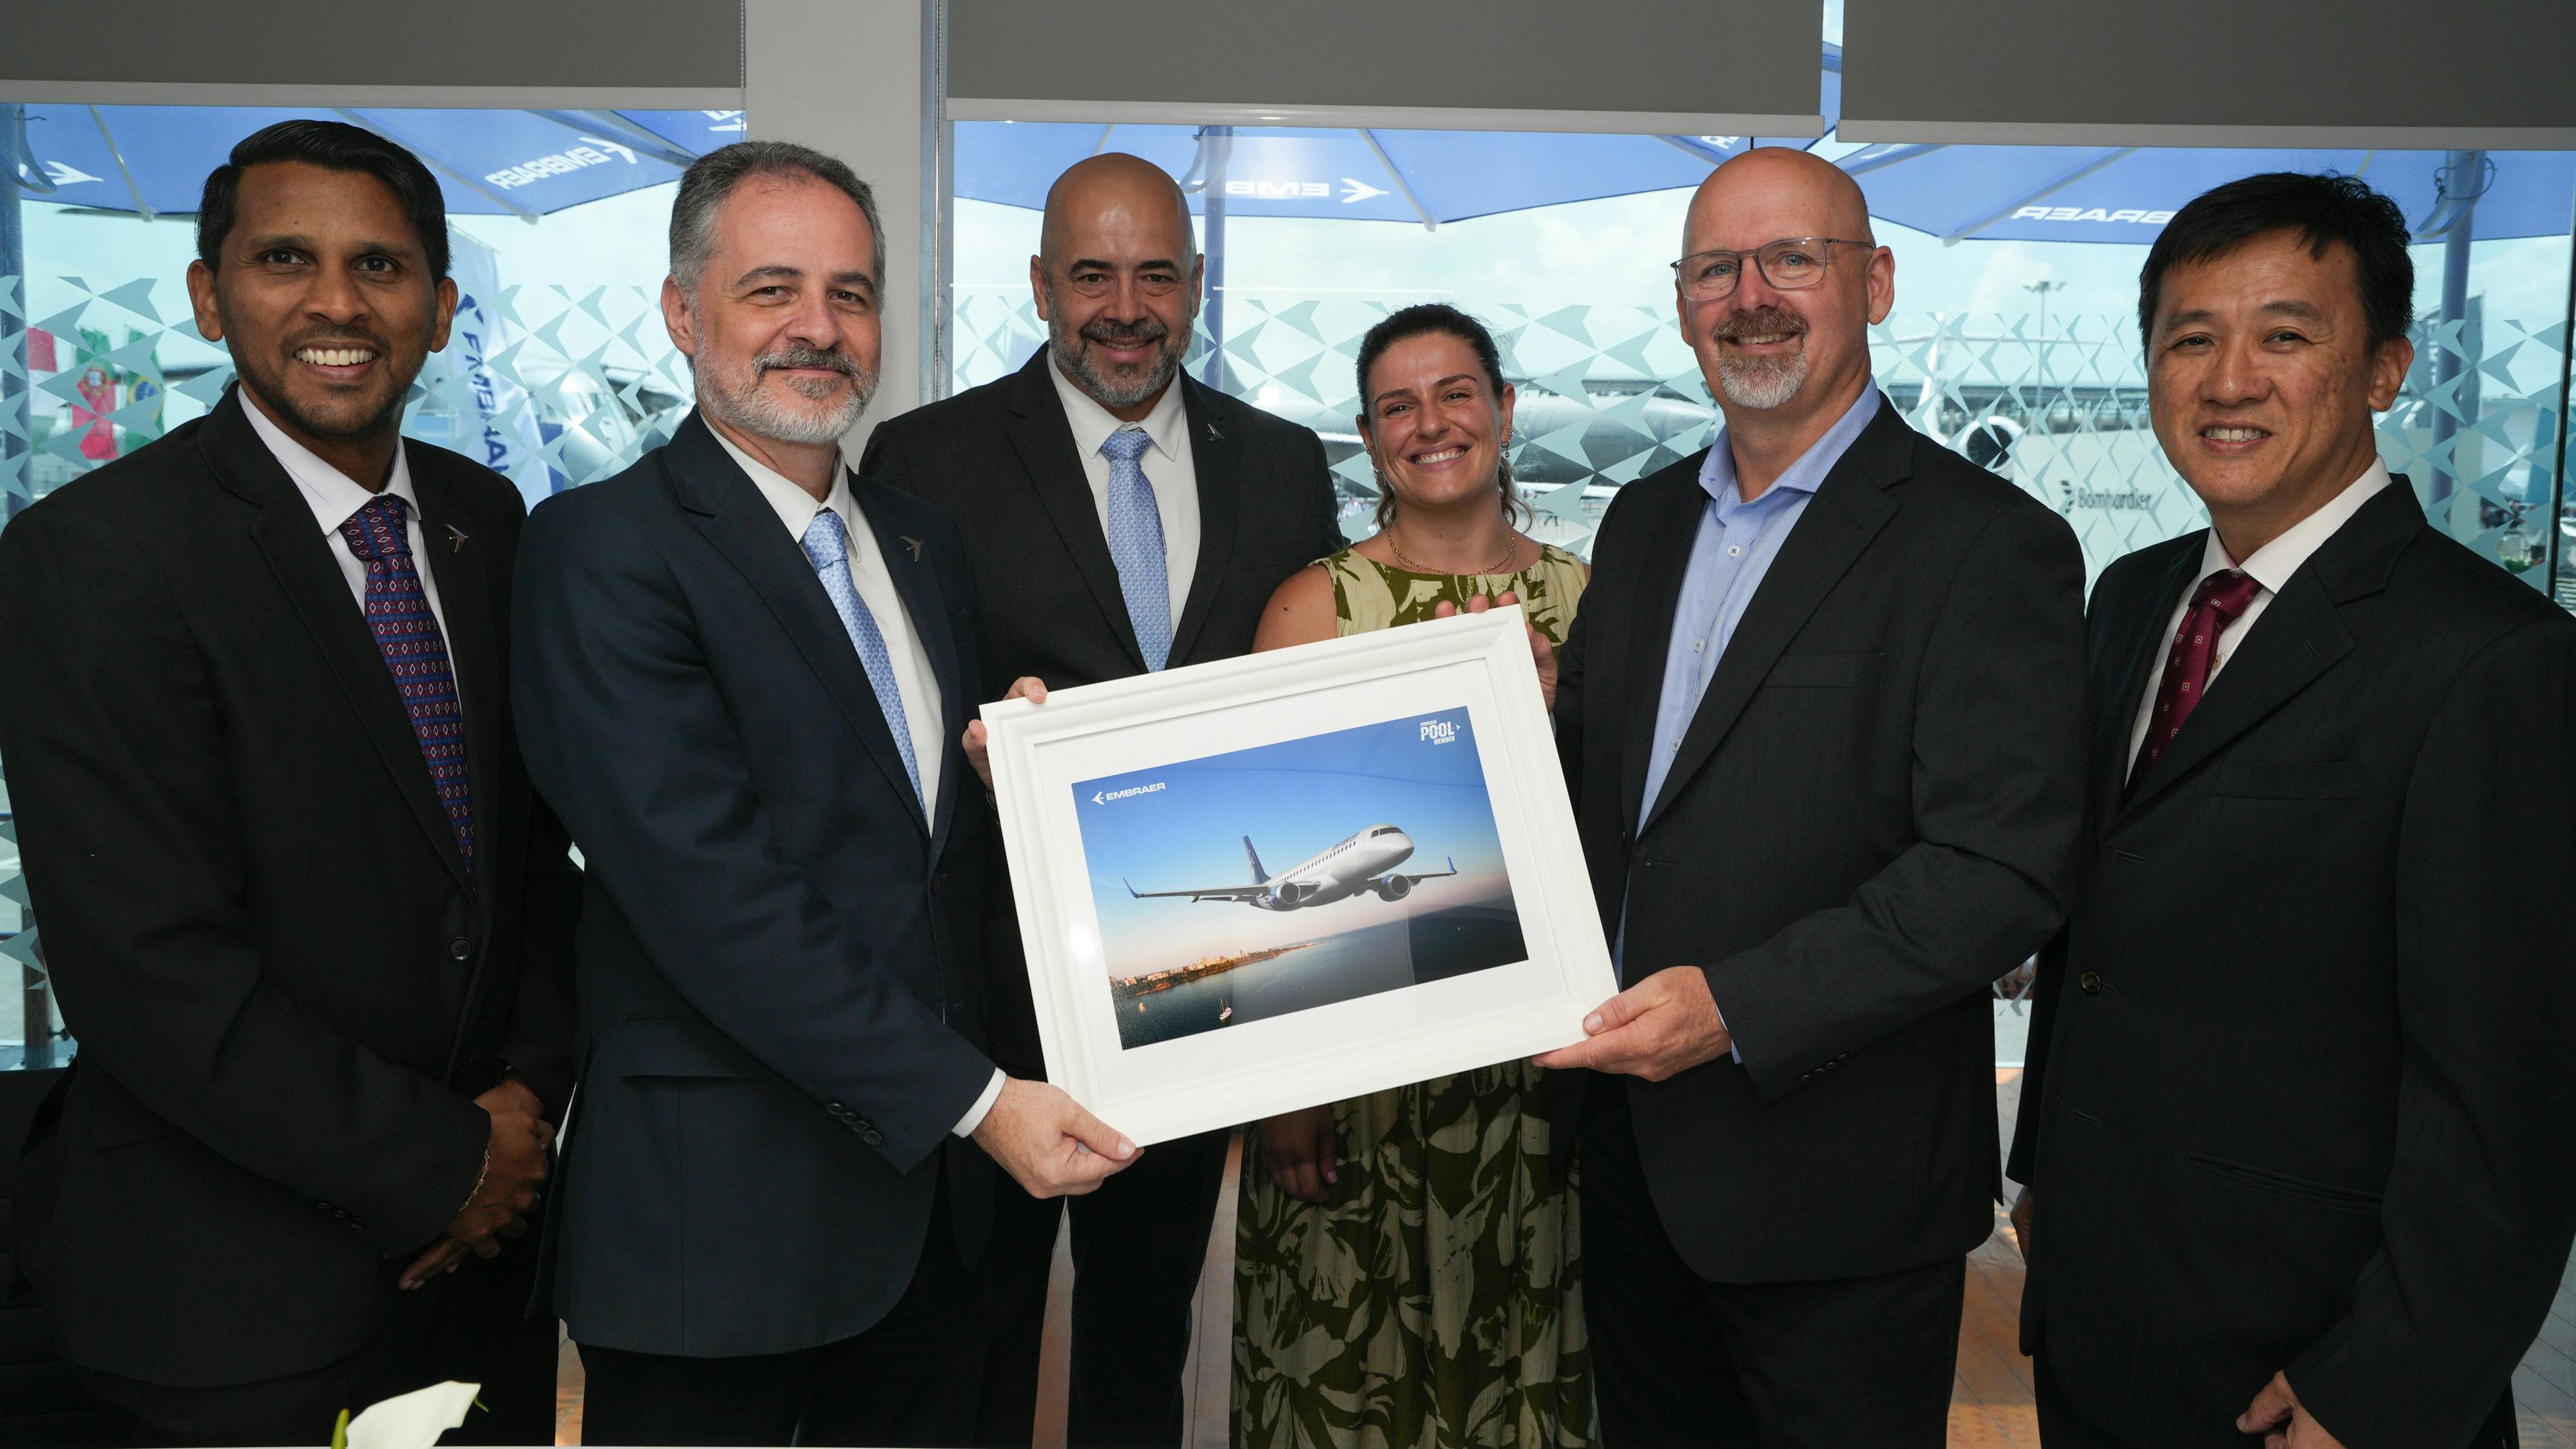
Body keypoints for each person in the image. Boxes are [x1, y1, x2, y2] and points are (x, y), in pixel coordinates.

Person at [511, 140, 1133, 1449]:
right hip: (722, 1236)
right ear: (684, 312)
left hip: (934, 1234)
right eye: (772, 289)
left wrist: (1008, 775)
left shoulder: (923, 542)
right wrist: (983, 1101)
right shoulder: (602, 548)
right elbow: (711, 893)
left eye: (851, 294)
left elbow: (911, 850)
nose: (819, 327)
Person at [0, 119, 577, 1447]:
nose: (336, 303)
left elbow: (535, 863)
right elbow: (150, 972)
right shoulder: (94, 557)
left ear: (439, 309)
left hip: (483, 1269)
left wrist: (522, 1115)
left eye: (380, 265)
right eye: (283, 259)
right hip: (230, 1299)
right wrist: (446, 1162)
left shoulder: (488, 524)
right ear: (209, 297)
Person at [2007, 172, 2576, 1449]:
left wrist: (2382, 1387)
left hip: (2309, 1365)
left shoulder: (2492, 659)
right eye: (2191, 339)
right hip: (2101, 1307)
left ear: (2384, 369)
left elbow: (2513, 1102)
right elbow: (2104, 932)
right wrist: (2046, 1165)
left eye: (2284, 335)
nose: (2229, 380)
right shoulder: (2131, 598)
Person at [1535, 146, 2087, 1445]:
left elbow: (1998, 871)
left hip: (1841, 1193)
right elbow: (1614, 803)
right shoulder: (1642, 522)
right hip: (1633, 1170)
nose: (1751, 298)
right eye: (1716, 269)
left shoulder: (1986, 543)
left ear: (1875, 283)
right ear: (1683, 302)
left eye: (1793, 259)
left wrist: (1735, 1006)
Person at [860, 152, 1342, 1449]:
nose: (1125, 309)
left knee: (1143, 1334)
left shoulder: (1284, 464)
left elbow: (1305, 718)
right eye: (1091, 275)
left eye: (1155, 275)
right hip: (993, 993)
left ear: (1197, 283)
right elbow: (888, 711)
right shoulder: (926, 457)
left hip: (1198, 987)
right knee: (978, 1340)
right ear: (1039, 286)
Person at [1231, 302, 1592, 1449]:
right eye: (1398, 405)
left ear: (1505, 409)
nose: (1431, 424)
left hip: (1535, 1081)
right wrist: (1285, 1092)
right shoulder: (1312, 608)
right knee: (1344, 1384)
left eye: (1456, 394)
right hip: (1351, 1088)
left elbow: (1623, 838)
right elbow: (1266, 841)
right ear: (1368, 436)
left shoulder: (1590, 601)